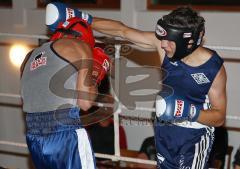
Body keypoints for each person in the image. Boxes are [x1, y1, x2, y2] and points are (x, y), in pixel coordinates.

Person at [52, 3, 227, 168]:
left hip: (194, 138)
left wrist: (188, 111)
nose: (163, 44)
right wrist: (81, 18)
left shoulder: (213, 68)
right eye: (163, 38)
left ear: (188, 42)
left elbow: (219, 117)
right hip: (165, 133)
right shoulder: (163, 45)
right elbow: (122, 31)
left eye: (169, 41)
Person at [20, 2, 110, 169]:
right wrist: (96, 75)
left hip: (34, 137)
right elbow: (85, 103)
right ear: (84, 38)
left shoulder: (29, 57)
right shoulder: (81, 47)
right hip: (65, 133)